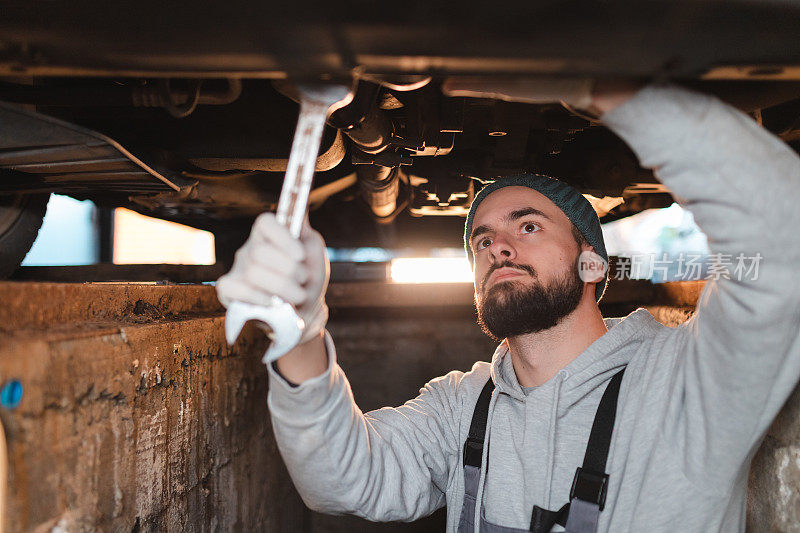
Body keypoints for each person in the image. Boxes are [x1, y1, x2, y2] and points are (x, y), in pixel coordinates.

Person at [215, 82, 800, 532]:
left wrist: (610, 88)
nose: (497, 244)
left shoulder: (687, 379)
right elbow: (342, 482)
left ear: (592, 264)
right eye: (481, 240)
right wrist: (300, 330)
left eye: (528, 224)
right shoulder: (461, 405)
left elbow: (782, 238)